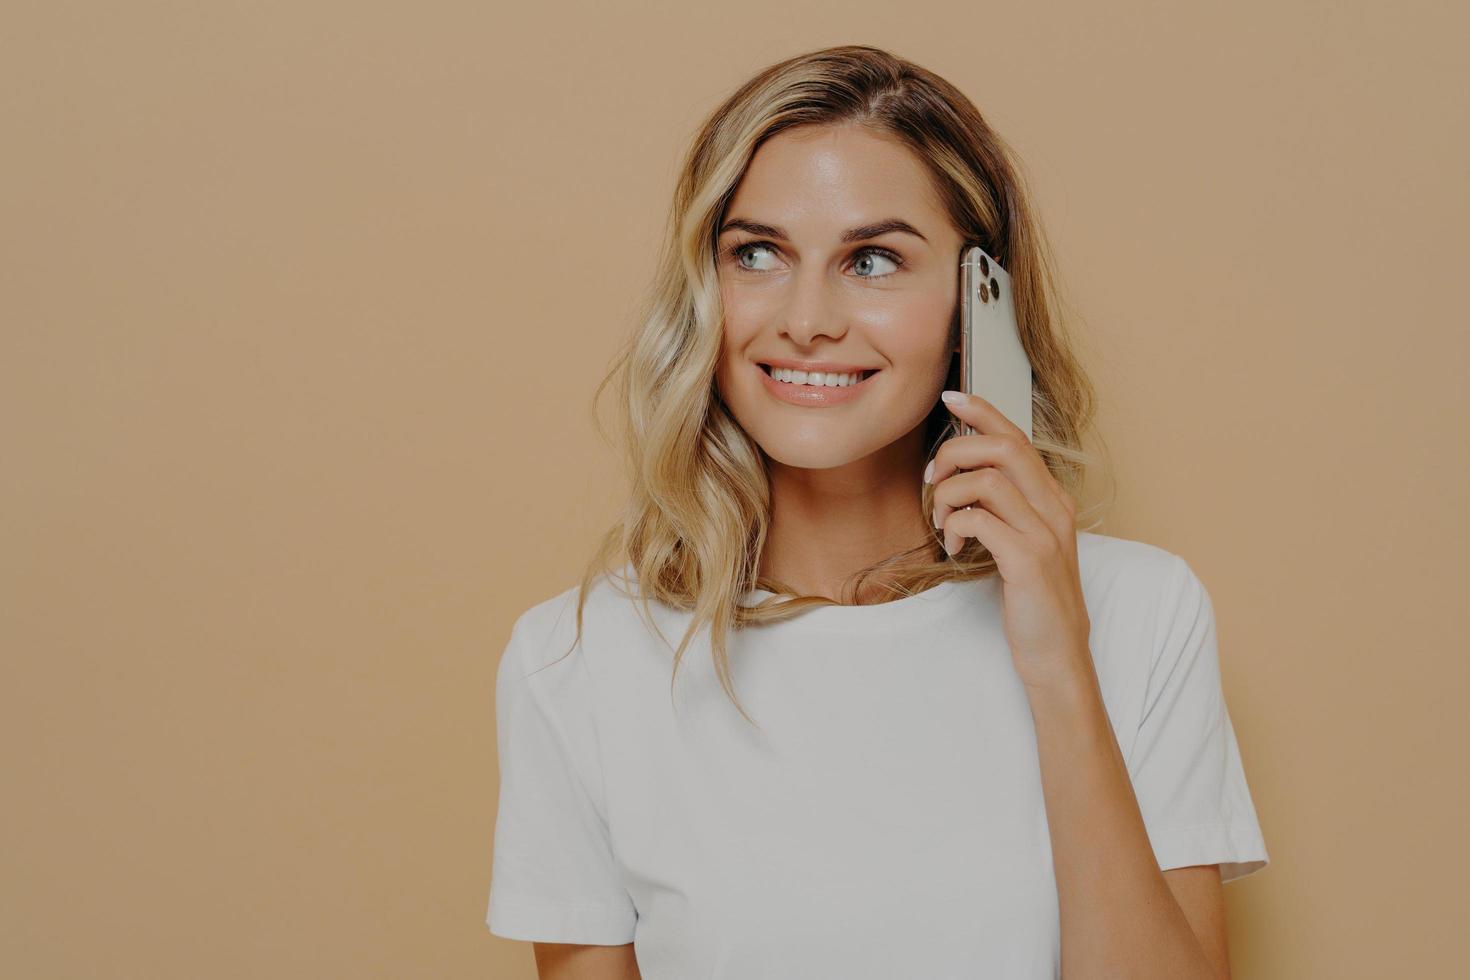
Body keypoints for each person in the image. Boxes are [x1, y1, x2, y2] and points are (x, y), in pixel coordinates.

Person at [485, 44, 1269, 980]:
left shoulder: (1143, 614)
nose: (806, 318)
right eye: (759, 253)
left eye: (873, 259)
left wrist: (1059, 661)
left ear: (976, 308)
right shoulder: (577, 660)